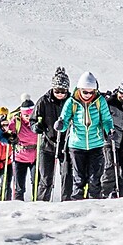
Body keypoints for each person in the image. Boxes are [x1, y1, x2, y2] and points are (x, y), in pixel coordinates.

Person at [60, 72, 112, 199]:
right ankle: (77, 205)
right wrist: (61, 125)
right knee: (79, 179)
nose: (88, 95)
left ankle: (95, 204)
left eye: (91, 92)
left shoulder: (100, 101)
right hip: (77, 145)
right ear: (79, 90)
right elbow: (64, 119)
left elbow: (106, 119)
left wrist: (110, 130)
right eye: (85, 92)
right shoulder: (71, 102)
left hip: (96, 144)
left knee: (95, 178)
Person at [33, 68, 73, 200]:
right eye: (57, 91)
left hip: (66, 145)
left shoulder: (72, 102)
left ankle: (67, 203)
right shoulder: (43, 101)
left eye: (63, 91)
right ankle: (42, 203)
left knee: (67, 177)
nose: (60, 94)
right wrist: (36, 127)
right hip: (47, 144)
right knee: (45, 179)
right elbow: (33, 119)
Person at [7, 100, 39, 200]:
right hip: (19, 157)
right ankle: (17, 207)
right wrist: (11, 137)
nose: (29, 118)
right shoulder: (16, 122)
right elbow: (8, 133)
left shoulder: (38, 122)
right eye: (26, 115)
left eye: (31, 115)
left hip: (35, 156)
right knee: (19, 186)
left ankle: (37, 204)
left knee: (36, 183)